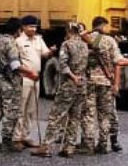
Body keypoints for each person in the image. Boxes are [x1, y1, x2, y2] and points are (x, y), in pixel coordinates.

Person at [82, 16, 128, 155]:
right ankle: (103, 144)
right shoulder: (109, 41)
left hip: (89, 81)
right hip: (106, 83)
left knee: (89, 113)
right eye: (107, 26)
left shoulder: (84, 39)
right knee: (105, 114)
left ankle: (88, 143)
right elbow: (119, 61)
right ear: (102, 26)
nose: (109, 29)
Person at [33, 22, 88, 158]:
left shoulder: (67, 44)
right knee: (75, 117)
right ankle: (69, 147)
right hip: (82, 85)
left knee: (57, 116)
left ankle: (46, 146)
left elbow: (63, 65)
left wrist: (72, 77)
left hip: (68, 85)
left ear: (68, 32)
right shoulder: (84, 46)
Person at [11, 15, 53, 151]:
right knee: (20, 108)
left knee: (31, 109)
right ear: (23, 27)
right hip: (24, 77)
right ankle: (16, 138)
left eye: (35, 26)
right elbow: (15, 61)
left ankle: (25, 135)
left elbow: (45, 54)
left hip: (36, 78)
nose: (33, 29)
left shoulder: (39, 40)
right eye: (30, 26)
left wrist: (52, 51)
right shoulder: (18, 41)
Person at [0, 17, 25, 153]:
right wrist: (30, 72)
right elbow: (15, 65)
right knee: (11, 111)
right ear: (17, 30)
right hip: (10, 82)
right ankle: (6, 142)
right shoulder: (11, 43)